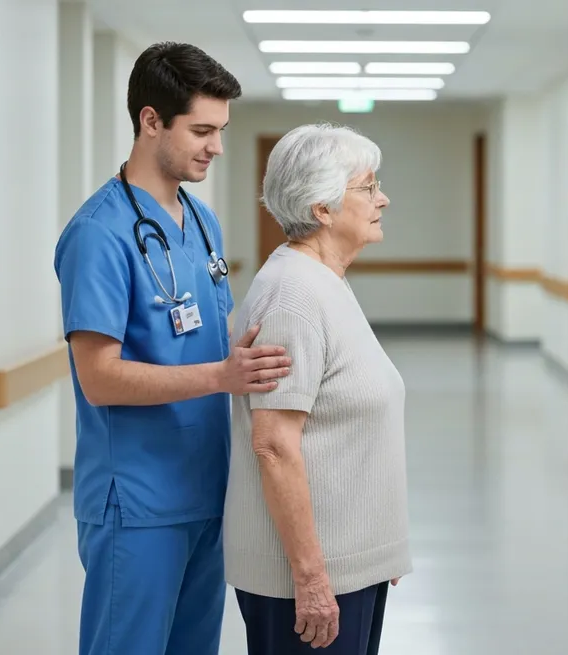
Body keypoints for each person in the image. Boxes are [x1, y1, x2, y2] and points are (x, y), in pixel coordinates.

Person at [53, 42, 292, 654]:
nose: (215, 146)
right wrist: (222, 376)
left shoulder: (201, 222)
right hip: (136, 503)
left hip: (206, 489)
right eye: (202, 130)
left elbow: (214, 332)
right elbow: (99, 378)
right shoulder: (99, 235)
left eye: (222, 131)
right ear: (151, 120)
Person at [222, 123, 412, 654]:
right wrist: (310, 580)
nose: (383, 199)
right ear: (321, 208)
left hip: (346, 566)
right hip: (307, 581)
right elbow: (275, 445)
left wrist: (376, 549)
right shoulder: (294, 298)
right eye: (368, 187)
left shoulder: (326, 284)